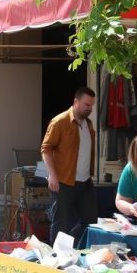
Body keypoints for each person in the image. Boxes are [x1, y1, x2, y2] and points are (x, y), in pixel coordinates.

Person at [41, 87, 97, 245]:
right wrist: (52, 175)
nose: (89, 109)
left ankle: (69, 247)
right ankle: (56, 259)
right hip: (64, 180)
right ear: (76, 102)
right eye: (86, 105)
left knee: (91, 221)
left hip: (85, 181)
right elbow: (46, 148)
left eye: (91, 105)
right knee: (61, 223)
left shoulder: (89, 124)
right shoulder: (60, 121)